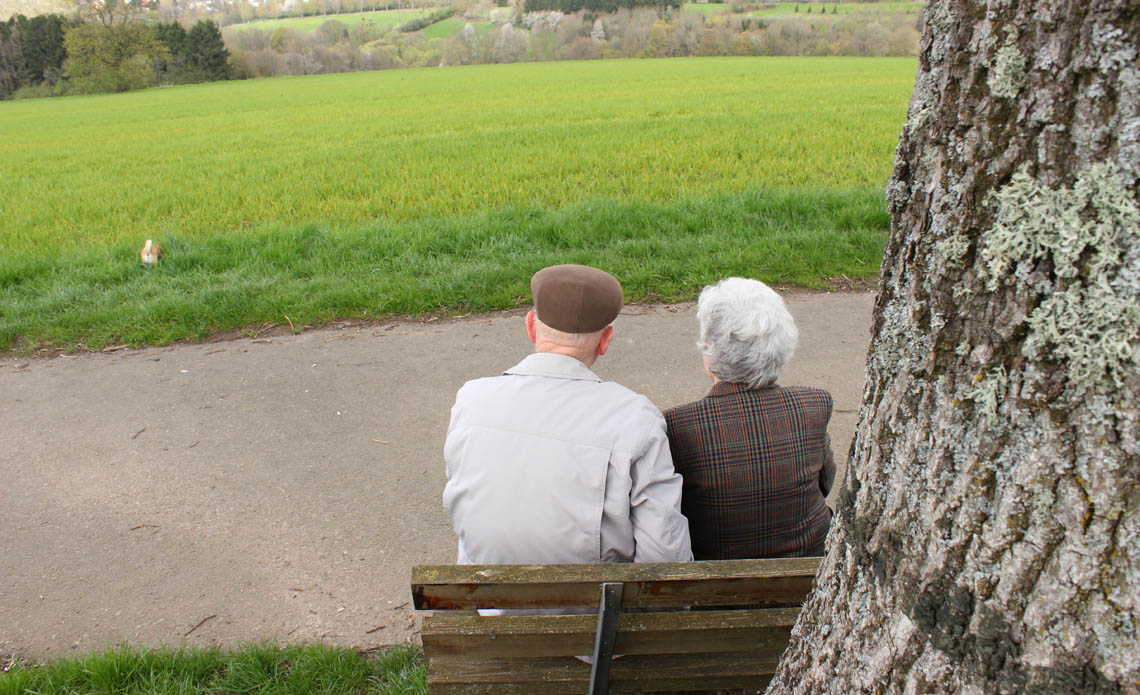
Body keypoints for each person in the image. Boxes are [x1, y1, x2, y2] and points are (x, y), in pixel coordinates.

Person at [443, 264, 693, 565]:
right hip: (598, 608)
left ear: (531, 325)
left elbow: (465, 511)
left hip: (487, 604)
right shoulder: (635, 417)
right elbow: (664, 557)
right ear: (605, 341)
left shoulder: (472, 399)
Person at [665, 277, 835, 560]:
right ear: (783, 348)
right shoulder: (813, 405)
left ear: (709, 351)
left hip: (718, 584)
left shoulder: (678, 426)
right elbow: (825, 485)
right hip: (807, 572)